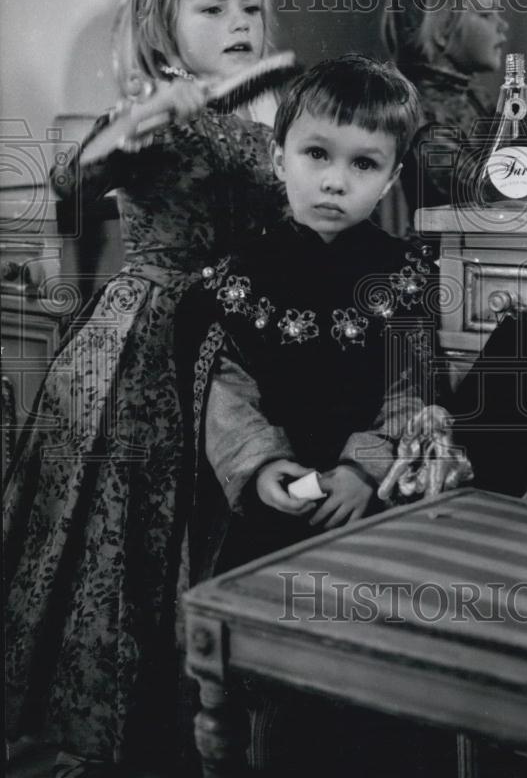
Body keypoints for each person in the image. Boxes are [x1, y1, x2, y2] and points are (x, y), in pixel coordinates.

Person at [3, 0, 288, 778]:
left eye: (250, 7)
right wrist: (127, 128)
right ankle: (122, 738)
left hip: (241, 330)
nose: (239, 20)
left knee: (211, 526)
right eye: (213, 9)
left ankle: (207, 728)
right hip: (147, 338)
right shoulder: (160, 109)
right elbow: (72, 182)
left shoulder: (265, 105)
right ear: (166, 24)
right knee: (125, 533)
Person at [178, 53, 437, 575]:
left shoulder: (403, 275)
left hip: (369, 495)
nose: (335, 181)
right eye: (316, 154)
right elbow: (225, 389)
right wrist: (261, 465)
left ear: (390, 180)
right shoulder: (237, 276)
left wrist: (365, 468)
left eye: (364, 164)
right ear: (279, 159)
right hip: (272, 495)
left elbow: (411, 386)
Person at [381, 0, 508, 216]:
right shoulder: (425, 121)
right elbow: (488, 197)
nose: (503, 25)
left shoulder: (476, 96)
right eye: (487, 14)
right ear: (441, 29)